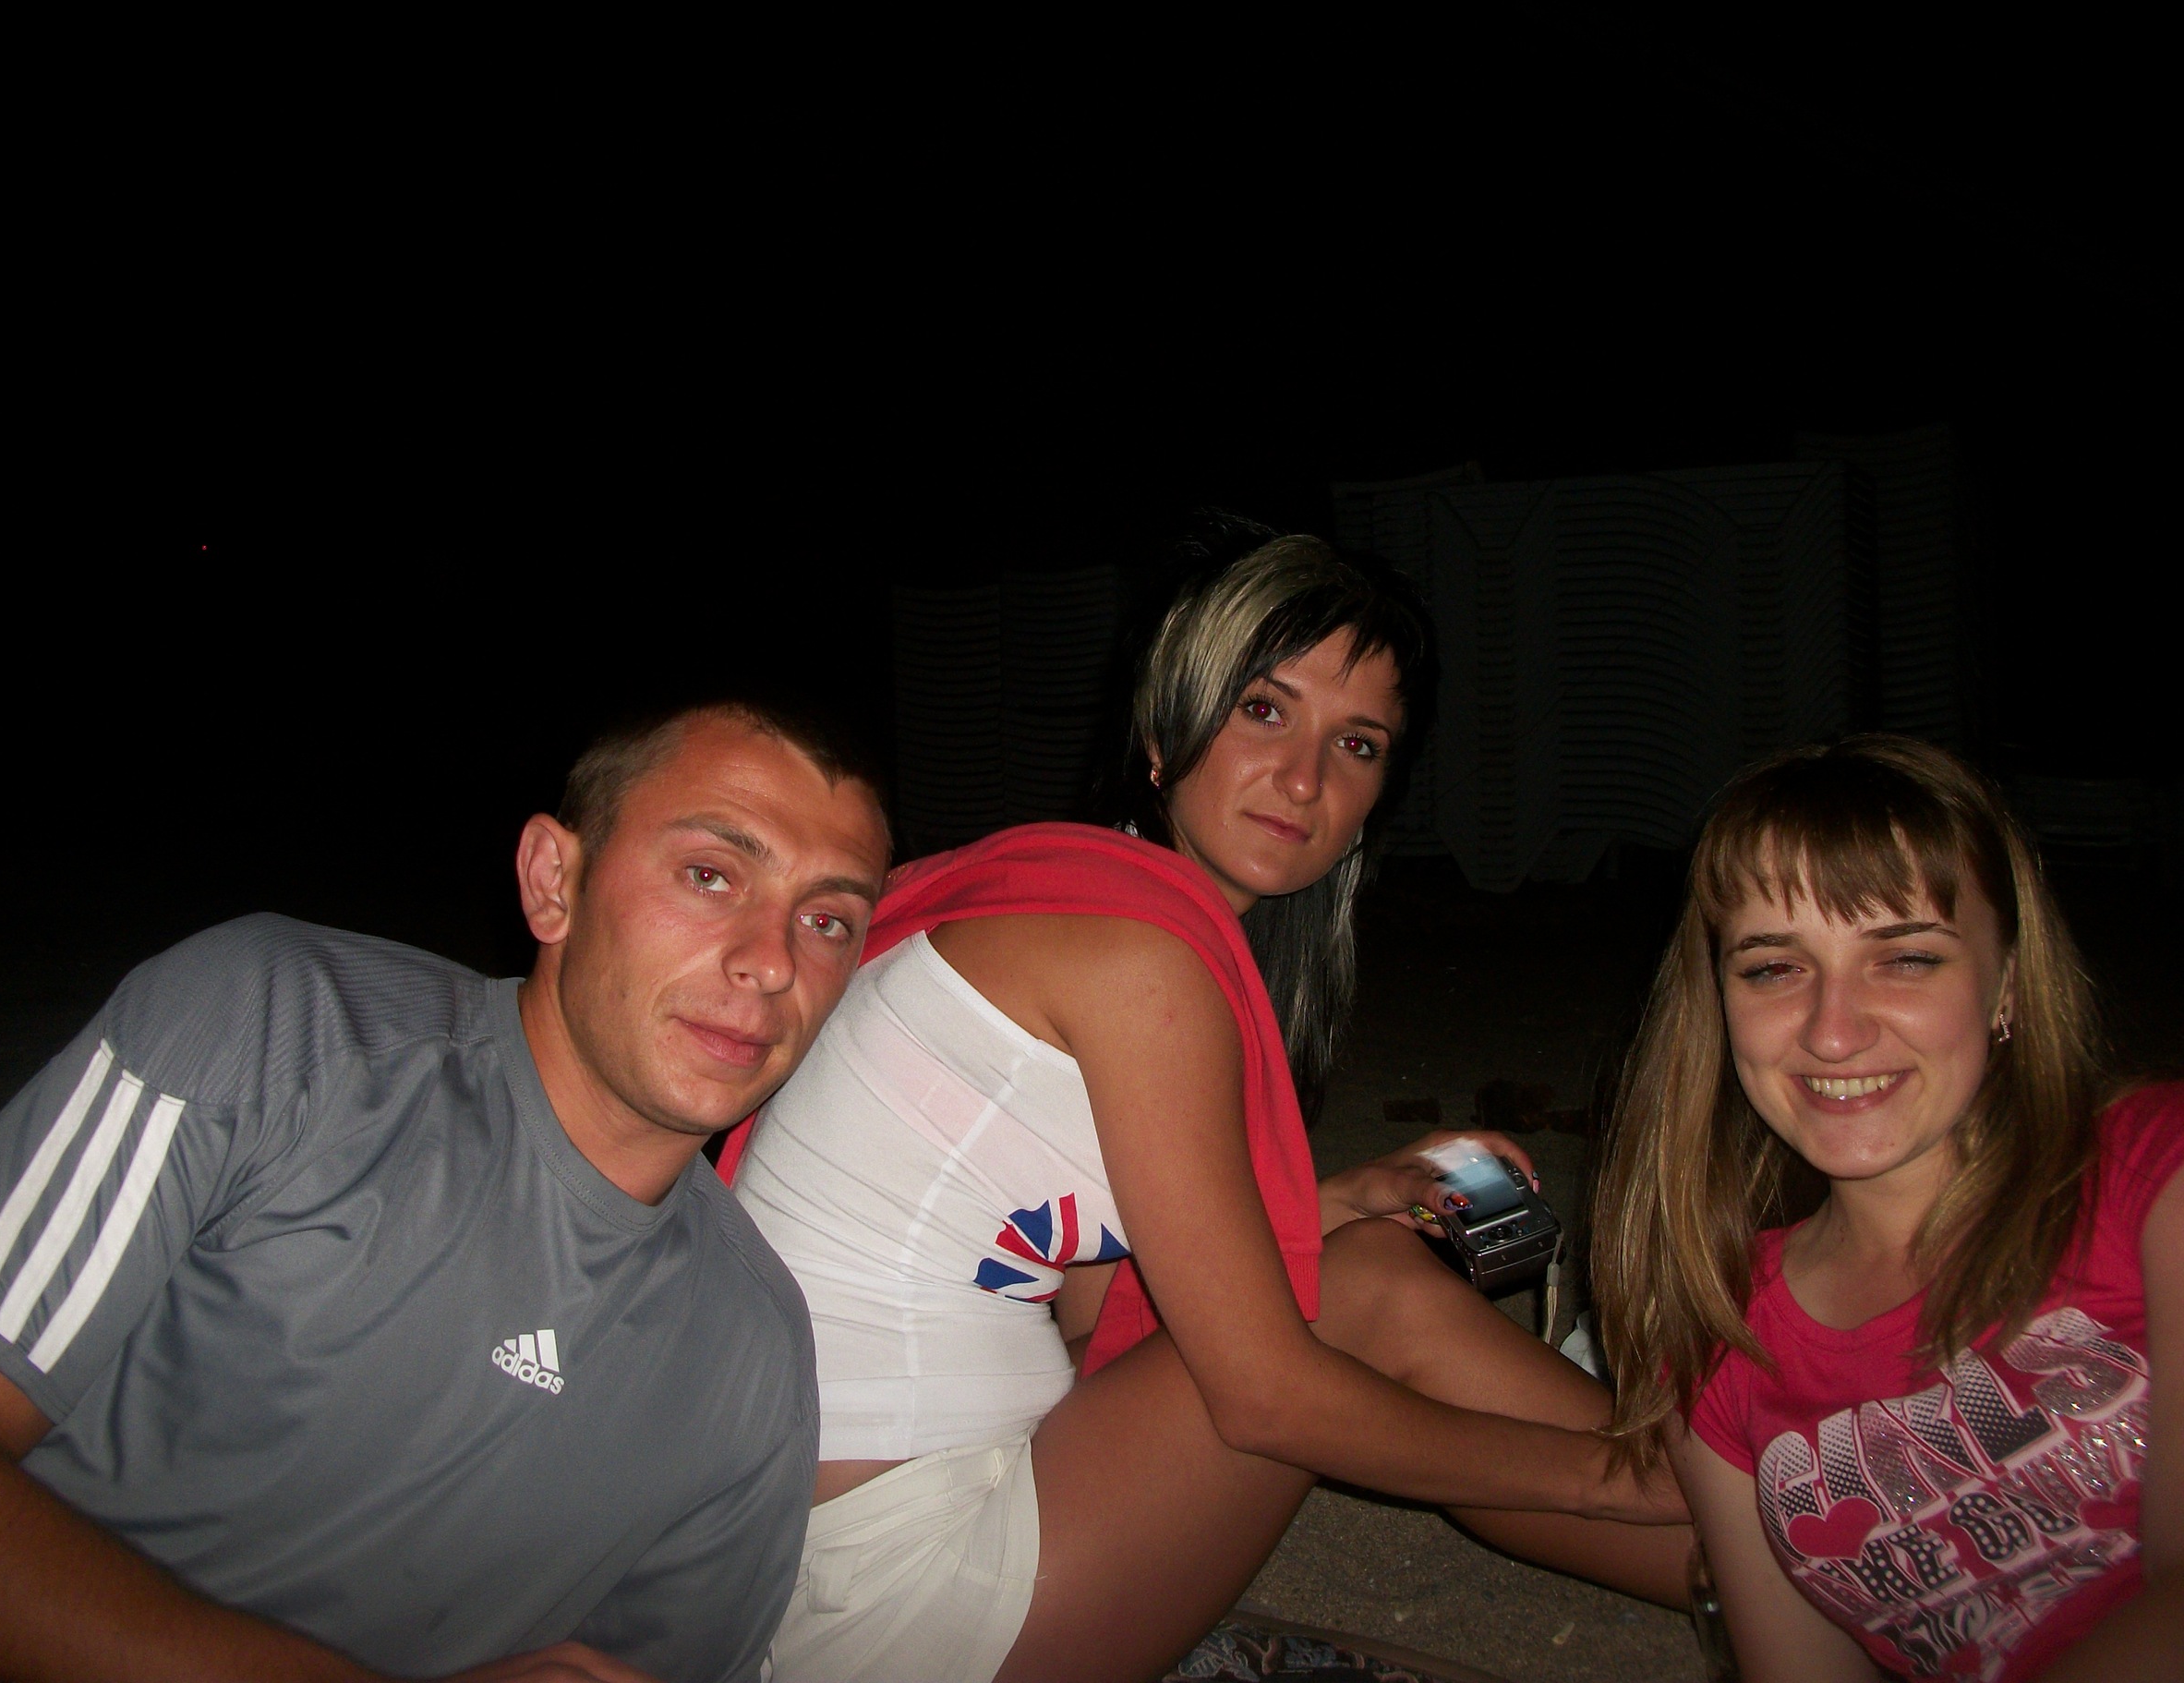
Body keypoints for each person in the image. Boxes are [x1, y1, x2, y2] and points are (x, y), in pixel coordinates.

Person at [724, 524, 1692, 1683]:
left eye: (1358, 743)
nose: (1304, 779)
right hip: (894, 1597)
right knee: (1367, 1298)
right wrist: (1609, 1480)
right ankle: (1725, 1510)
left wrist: (1340, 1197)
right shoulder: (1138, 962)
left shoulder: (1065, 894)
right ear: (1160, 730)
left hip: (817, 1545)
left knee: (1358, 1267)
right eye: (1263, 710)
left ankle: (1754, 1540)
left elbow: (1100, 1309)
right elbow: (1263, 1398)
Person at [0, 700, 892, 1683]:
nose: (771, 963)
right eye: (710, 874)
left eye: (827, 921)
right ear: (552, 881)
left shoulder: (752, 1352)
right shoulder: (280, 1030)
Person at [1591, 734, 2181, 1681]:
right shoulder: (1716, 1339)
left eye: (1904, 958)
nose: (1833, 1032)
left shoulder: (2154, 1174)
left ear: (2006, 982)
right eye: (1773, 967)